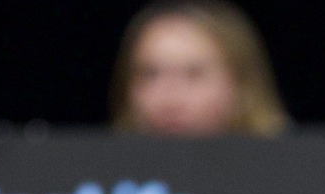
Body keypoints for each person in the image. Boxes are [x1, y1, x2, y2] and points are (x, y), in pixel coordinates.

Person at [110, 1, 288, 137]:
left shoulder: (294, 171)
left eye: (193, 74)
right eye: (150, 74)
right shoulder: (102, 174)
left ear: (241, 83)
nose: (169, 99)